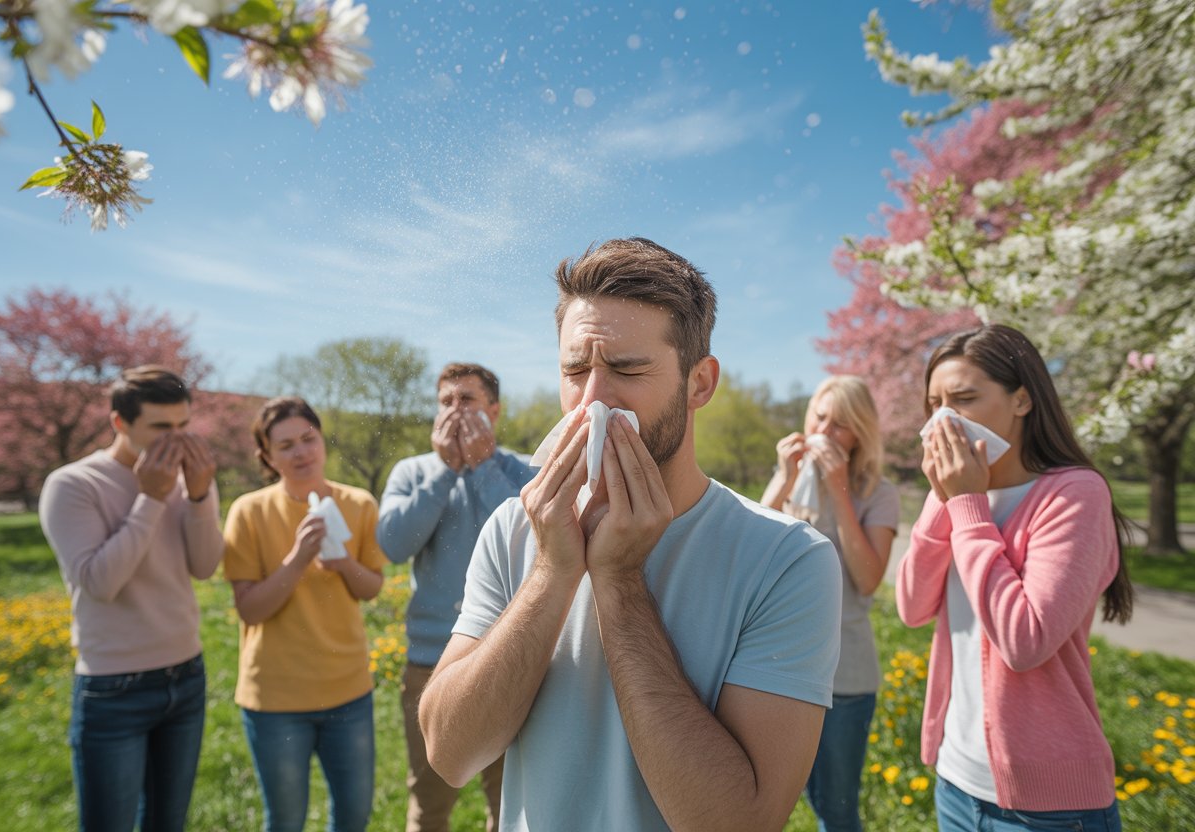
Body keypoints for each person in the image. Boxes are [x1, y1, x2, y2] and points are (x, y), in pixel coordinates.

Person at [419, 237, 842, 831]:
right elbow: (451, 754)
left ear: (699, 383)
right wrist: (550, 572)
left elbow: (737, 823)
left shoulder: (787, 559)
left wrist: (619, 580)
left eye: (626, 369)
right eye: (574, 371)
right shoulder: (518, 527)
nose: (591, 401)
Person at [897, 324, 1132, 832]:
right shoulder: (958, 499)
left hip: (1046, 807)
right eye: (934, 402)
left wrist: (965, 504)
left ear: (1022, 400)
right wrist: (947, 500)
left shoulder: (1073, 494)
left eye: (964, 398)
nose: (944, 418)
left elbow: (1025, 641)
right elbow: (912, 607)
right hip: (956, 783)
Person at [38, 365, 223, 832]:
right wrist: (152, 498)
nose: (176, 440)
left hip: (186, 676)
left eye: (183, 426)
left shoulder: (189, 479)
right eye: (161, 428)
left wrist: (200, 497)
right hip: (112, 687)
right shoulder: (73, 484)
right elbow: (100, 582)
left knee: (168, 823)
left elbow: (204, 566)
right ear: (120, 423)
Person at [377, 362, 534, 832]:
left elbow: (534, 539)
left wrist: (483, 467)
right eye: (446, 401)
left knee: (512, 806)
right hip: (430, 663)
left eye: (467, 400)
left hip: (515, 659)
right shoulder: (412, 473)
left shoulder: (526, 469)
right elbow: (392, 545)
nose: (455, 411)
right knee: (429, 804)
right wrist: (445, 473)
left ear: (494, 410)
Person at [222, 397, 385, 832]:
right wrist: (297, 560)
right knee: (286, 820)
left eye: (309, 439)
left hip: (348, 692)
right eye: (286, 445)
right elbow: (250, 610)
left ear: (322, 441)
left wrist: (344, 564)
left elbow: (372, 588)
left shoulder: (359, 503)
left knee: (354, 815)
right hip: (275, 699)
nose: (301, 453)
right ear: (268, 457)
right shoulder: (248, 512)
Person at [760, 375, 899, 832]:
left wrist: (839, 491)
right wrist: (783, 478)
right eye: (820, 416)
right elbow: (755, 557)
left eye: (841, 424)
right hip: (782, 670)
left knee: (836, 810)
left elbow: (868, 578)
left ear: (860, 432)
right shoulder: (794, 483)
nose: (825, 430)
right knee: (770, 804)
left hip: (847, 676)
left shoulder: (878, 494)